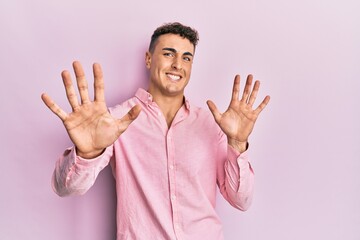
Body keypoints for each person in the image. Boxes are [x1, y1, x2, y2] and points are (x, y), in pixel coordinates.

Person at [41, 22, 270, 240]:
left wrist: (238, 143)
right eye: (168, 53)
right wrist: (86, 153)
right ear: (149, 59)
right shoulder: (115, 121)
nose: (177, 65)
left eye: (186, 57)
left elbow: (241, 200)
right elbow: (65, 188)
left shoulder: (212, 124)